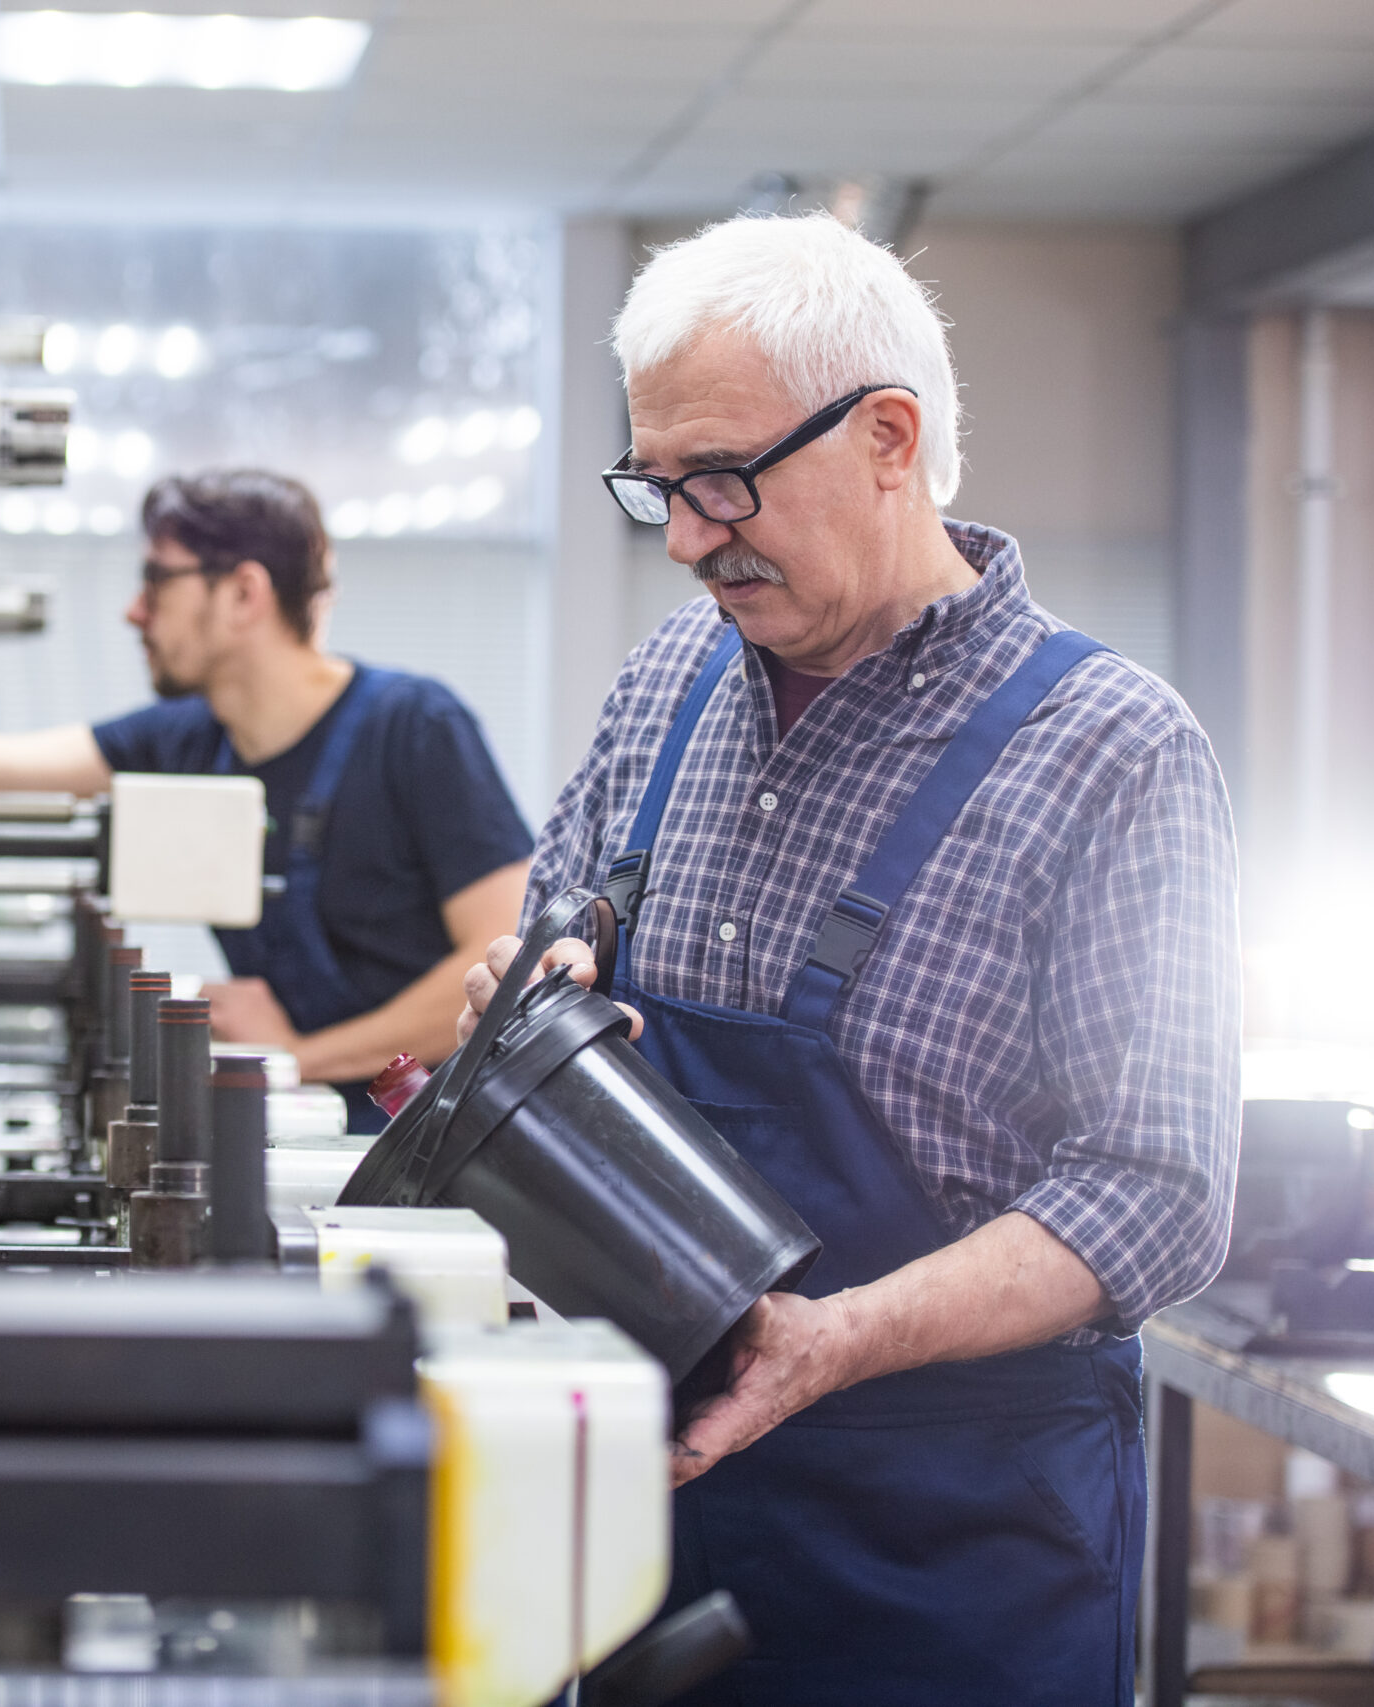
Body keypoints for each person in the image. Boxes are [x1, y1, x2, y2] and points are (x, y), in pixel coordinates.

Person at [459, 214, 1238, 1704]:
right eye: (659, 488)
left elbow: (1157, 1189)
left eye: (724, 480)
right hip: (660, 1520)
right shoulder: (669, 682)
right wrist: (528, 997)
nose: (687, 537)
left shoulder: (1115, 750)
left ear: (891, 437)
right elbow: (554, 935)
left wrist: (832, 1339)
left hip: (954, 1549)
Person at [0, 468, 533, 1130]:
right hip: (319, 1135)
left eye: (157, 581)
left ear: (243, 594)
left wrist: (299, 1057)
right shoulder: (189, 739)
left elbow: (502, 968)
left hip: (443, 1141)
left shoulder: (414, 727)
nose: (132, 610)